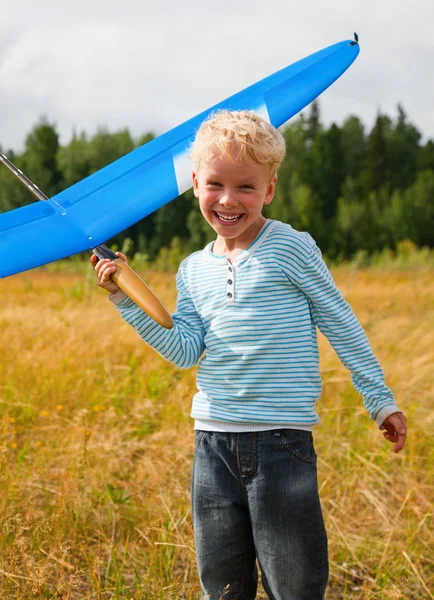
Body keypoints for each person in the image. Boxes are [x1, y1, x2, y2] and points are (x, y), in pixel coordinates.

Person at [91, 110, 407, 600]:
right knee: (222, 582)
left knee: (294, 582)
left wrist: (379, 398)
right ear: (196, 183)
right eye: (215, 183)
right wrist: (124, 297)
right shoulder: (192, 269)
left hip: (282, 443)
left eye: (246, 187)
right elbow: (184, 350)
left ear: (269, 189)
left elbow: (339, 321)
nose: (228, 200)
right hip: (212, 445)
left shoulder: (291, 248)